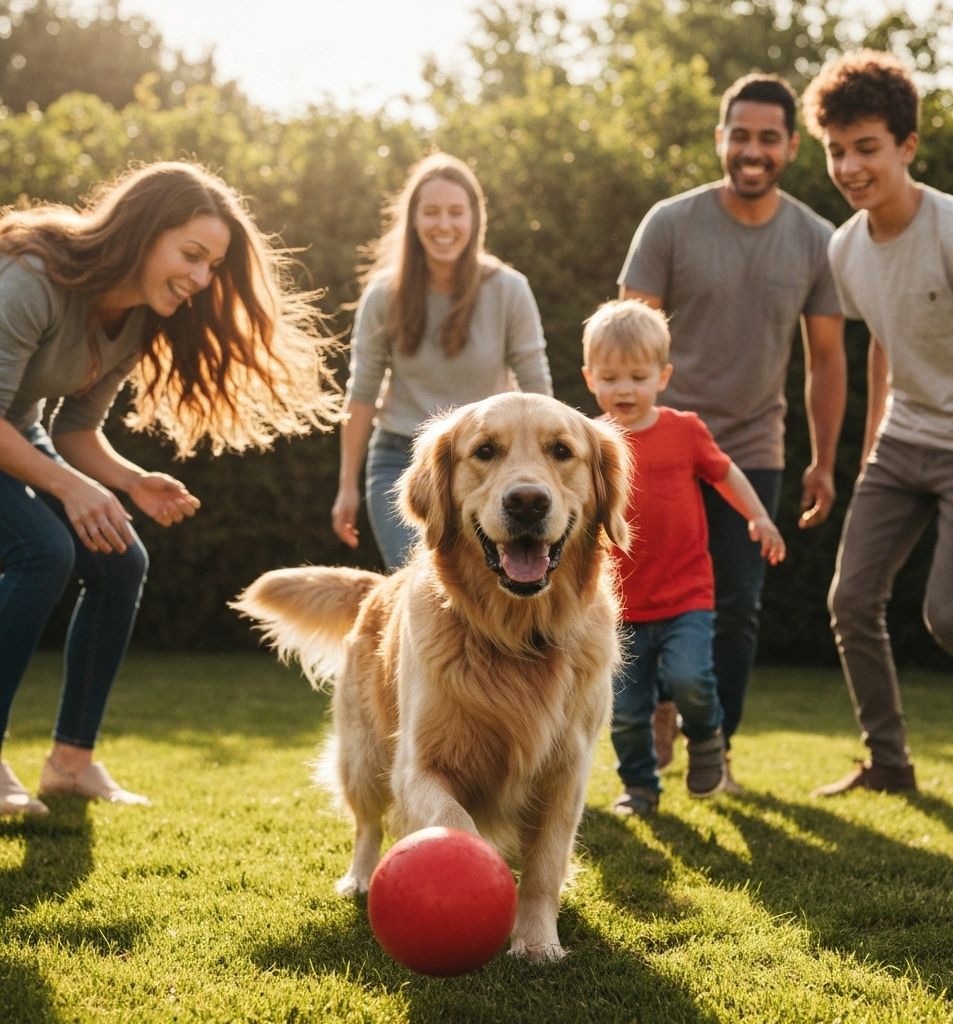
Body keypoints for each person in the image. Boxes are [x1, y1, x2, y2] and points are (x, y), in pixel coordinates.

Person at [0, 160, 342, 815]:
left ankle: (72, 765)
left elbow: (75, 429)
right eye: (191, 255)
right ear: (143, 231)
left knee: (121, 559)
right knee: (44, 550)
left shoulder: (134, 317)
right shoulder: (32, 278)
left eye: (211, 264)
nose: (200, 279)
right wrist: (72, 492)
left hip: (18, 433)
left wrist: (129, 482)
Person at [801, 51, 953, 796]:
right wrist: (871, 451)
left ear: (906, 146)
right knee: (850, 601)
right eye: (837, 151)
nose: (851, 167)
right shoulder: (845, 245)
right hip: (901, 445)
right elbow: (884, 346)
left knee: (952, 616)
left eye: (867, 148)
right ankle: (889, 764)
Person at [618, 73, 846, 788]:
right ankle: (654, 711)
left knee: (739, 607)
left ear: (790, 146)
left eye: (768, 138)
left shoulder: (817, 240)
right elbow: (626, 342)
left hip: (752, 449)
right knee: (638, 594)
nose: (753, 150)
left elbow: (828, 359)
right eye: (740, 136)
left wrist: (825, 460)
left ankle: (717, 752)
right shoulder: (671, 223)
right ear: (721, 140)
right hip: (656, 448)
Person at [582, 299, 786, 815]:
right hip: (620, 604)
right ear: (589, 378)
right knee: (627, 711)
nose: (624, 388)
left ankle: (706, 736)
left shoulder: (685, 430)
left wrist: (758, 517)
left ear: (663, 376)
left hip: (685, 594)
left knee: (691, 679)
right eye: (610, 377)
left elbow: (725, 474)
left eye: (637, 375)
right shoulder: (588, 442)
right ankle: (640, 787)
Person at [331, 152, 552, 569]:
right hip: (401, 459)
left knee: (493, 584)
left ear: (474, 219)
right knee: (421, 583)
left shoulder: (509, 290)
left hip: (490, 461)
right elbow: (361, 394)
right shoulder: (383, 295)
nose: (444, 225)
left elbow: (537, 386)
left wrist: (543, 467)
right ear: (414, 220)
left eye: (456, 212)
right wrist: (346, 487)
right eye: (431, 212)